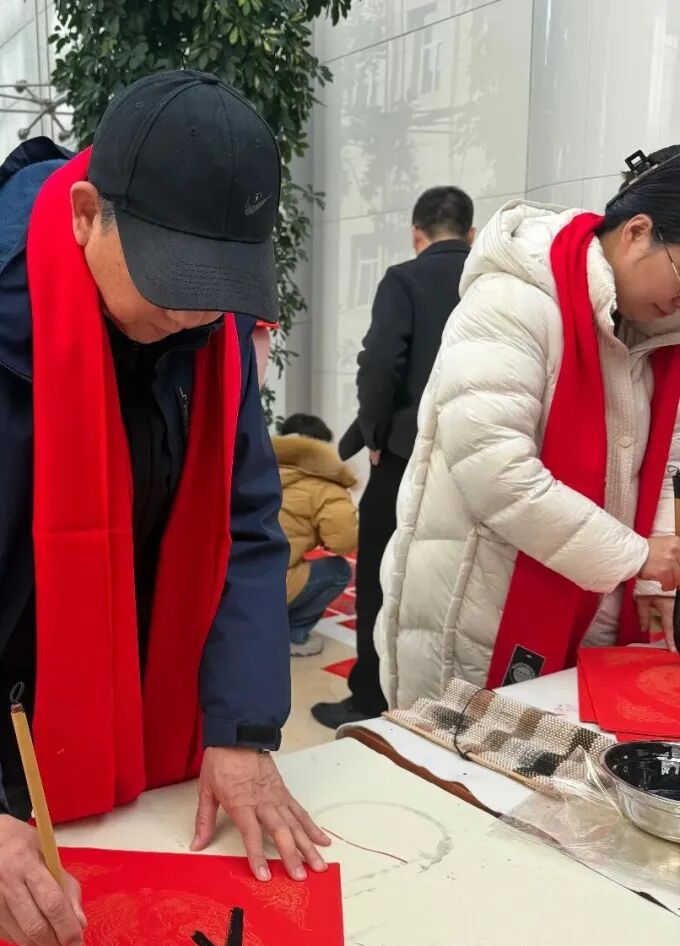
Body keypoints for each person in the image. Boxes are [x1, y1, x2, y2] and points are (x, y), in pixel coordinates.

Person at [0, 70, 332, 946]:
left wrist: (242, 727)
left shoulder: (210, 338)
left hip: (156, 734)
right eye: (172, 280)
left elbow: (245, 527)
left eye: (218, 285)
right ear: (88, 214)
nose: (192, 313)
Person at [378, 147, 680, 708]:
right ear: (638, 233)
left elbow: (662, 463)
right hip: (483, 607)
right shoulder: (514, 300)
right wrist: (638, 556)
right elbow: (495, 470)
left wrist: (652, 573)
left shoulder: (653, 332)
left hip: (592, 602)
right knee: (466, 756)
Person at [314, 187, 474, 728]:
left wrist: (376, 435)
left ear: (416, 234)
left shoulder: (405, 279)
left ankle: (371, 698)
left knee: (381, 578)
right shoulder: (491, 281)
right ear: (472, 233)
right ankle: (449, 703)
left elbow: (380, 363)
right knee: (457, 585)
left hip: (407, 454)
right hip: (474, 458)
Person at [274, 413, 358, 657]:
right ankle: (293, 635)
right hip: (274, 584)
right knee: (339, 570)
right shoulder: (326, 488)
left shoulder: (252, 469)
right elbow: (344, 542)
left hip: (230, 582)